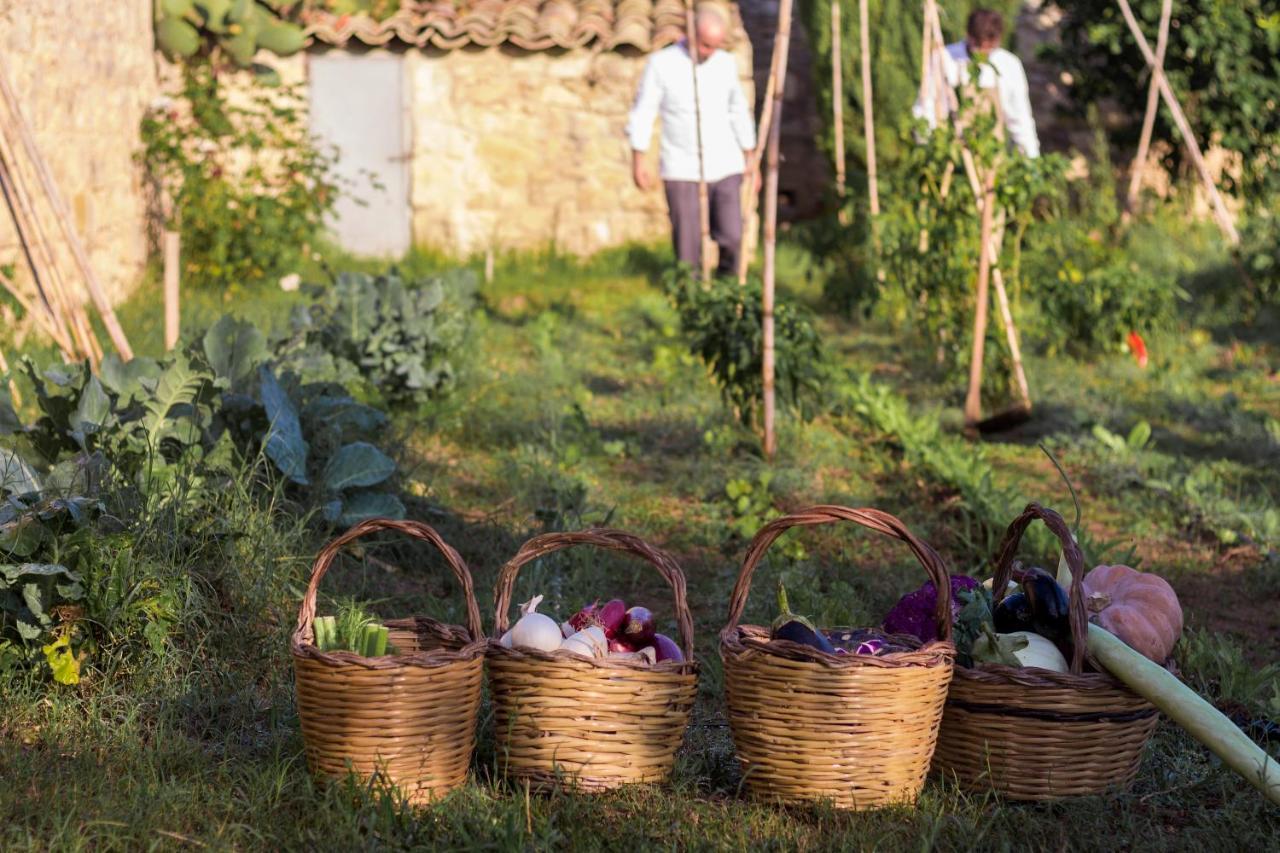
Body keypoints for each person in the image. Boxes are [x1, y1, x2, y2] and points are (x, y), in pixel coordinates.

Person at [626, 4, 757, 276]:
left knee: (732, 236)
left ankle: (726, 292)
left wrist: (751, 159)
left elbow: (738, 112)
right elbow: (644, 111)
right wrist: (638, 159)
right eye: (706, 45)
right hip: (681, 167)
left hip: (725, 165)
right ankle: (692, 300)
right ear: (690, 34)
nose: (710, 52)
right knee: (688, 249)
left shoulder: (725, 64)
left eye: (715, 45)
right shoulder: (662, 64)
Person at [912, 8, 1040, 158]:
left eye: (989, 48)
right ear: (968, 35)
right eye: (978, 46)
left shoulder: (1009, 65)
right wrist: (927, 147)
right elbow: (926, 105)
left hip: (991, 157)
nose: (983, 54)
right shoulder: (944, 58)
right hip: (950, 154)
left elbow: (1020, 118)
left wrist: (1031, 160)